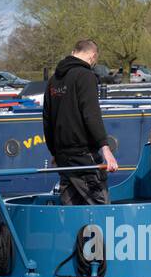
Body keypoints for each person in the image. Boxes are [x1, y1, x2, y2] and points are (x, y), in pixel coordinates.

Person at [42, 39, 119, 204]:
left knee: (70, 213)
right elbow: (91, 115)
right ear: (92, 56)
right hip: (84, 157)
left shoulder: (53, 81)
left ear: (74, 52)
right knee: (101, 210)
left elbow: (47, 120)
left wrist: (54, 152)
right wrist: (105, 149)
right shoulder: (86, 76)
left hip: (63, 159)